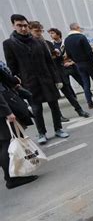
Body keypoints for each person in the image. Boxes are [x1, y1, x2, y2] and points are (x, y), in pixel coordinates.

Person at [3, 14, 70, 144]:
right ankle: (41, 133)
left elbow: (49, 62)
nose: (23, 28)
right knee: (36, 109)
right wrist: (17, 84)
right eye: (19, 25)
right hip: (29, 82)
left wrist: (57, 79)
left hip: (47, 79)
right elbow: (12, 66)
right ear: (13, 26)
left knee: (54, 106)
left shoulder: (38, 41)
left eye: (25, 25)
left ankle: (58, 129)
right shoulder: (9, 44)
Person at [30, 22, 90, 120]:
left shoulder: (48, 44)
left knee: (69, 93)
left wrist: (57, 55)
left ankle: (79, 110)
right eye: (37, 31)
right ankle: (59, 116)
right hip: (46, 76)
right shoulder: (31, 46)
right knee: (52, 99)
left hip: (58, 73)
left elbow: (58, 60)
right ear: (30, 31)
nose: (40, 33)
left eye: (41, 31)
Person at [0, 60, 38, 189]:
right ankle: (12, 178)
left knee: (3, 143)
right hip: (2, 112)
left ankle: (11, 175)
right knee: (7, 142)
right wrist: (7, 112)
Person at [64, 22, 93, 109]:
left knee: (85, 83)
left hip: (78, 64)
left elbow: (68, 54)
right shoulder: (81, 37)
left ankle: (89, 102)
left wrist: (75, 61)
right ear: (77, 28)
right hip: (88, 63)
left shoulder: (66, 40)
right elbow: (89, 51)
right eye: (79, 27)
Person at [48, 28, 86, 99]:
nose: (51, 35)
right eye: (50, 33)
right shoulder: (51, 44)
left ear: (58, 34)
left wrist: (71, 62)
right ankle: (73, 97)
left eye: (52, 33)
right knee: (67, 84)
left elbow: (73, 53)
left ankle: (89, 95)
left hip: (71, 65)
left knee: (80, 80)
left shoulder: (65, 42)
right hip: (61, 67)